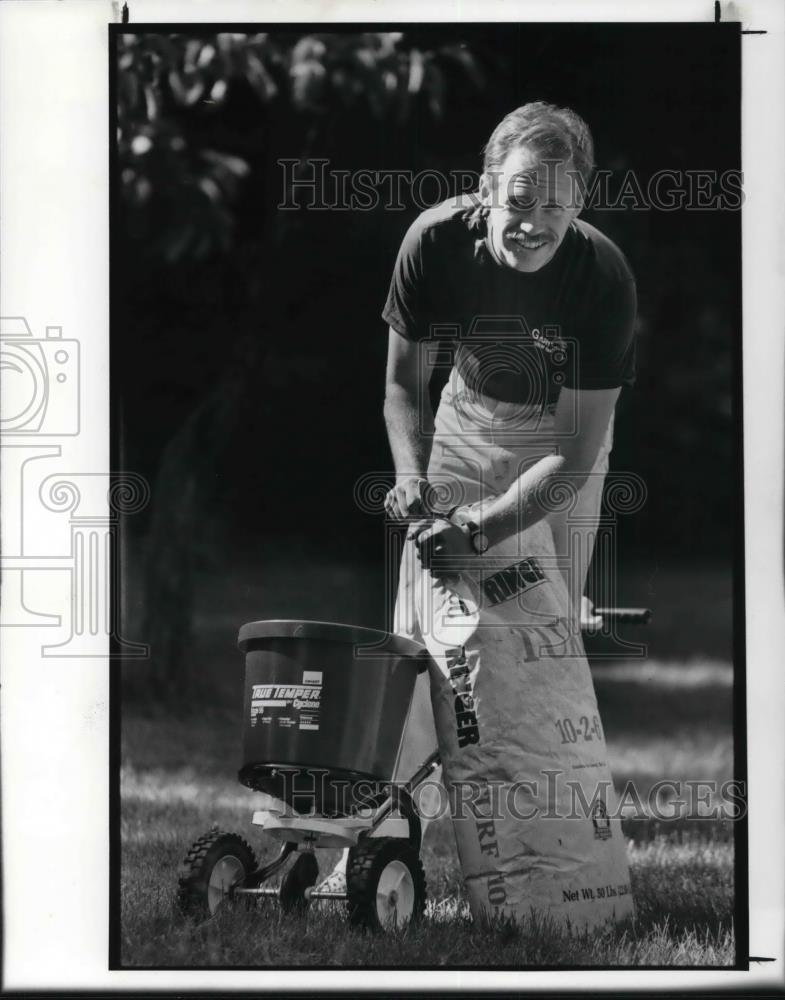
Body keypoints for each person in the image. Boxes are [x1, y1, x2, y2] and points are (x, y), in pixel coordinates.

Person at [321, 101, 637, 893]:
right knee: (429, 634)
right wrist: (409, 481)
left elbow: (572, 452)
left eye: (555, 207)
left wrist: (490, 528)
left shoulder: (600, 278)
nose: (532, 222)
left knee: (541, 634)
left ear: (579, 206)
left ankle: (545, 861)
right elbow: (401, 386)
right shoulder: (432, 241)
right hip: (466, 413)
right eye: (518, 200)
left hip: (563, 437)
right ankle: (377, 847)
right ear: (485, 189)